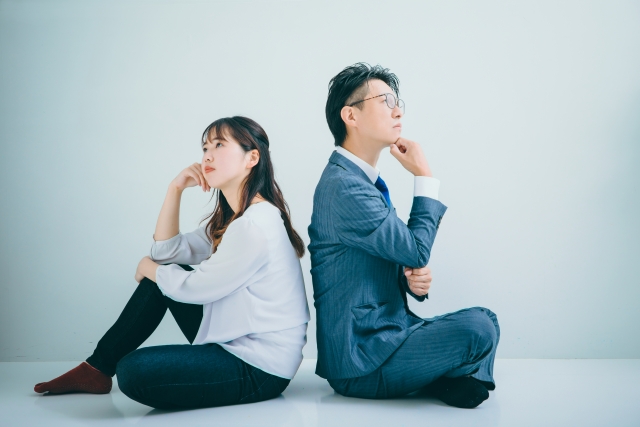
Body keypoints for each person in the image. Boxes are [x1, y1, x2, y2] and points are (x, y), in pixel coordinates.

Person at [34, 116, 310, 410]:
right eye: (205, 148)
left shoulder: (254, 225)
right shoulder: (236, 218)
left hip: (259, 368)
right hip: (236, 339)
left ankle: (103, 368)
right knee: (160, 280)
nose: (207, 156)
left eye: (219, 145)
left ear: (252, 158)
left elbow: (195, 288)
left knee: (133, 371)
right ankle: (96, 369)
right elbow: (166, 253)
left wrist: (146, 267)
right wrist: (175, 188)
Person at [308, 63, 500, 409]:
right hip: (361, 360)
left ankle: (444, 376)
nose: (398, 111)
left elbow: (394, 254)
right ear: (350, 115)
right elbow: (415, 250)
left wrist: (410, 280)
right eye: (385, 101)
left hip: (390, 335)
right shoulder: (344, 186)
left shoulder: (359, 179)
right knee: (478, 328)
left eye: (398, 103)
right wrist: (424, 175)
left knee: (487, 319)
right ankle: (452, 375)